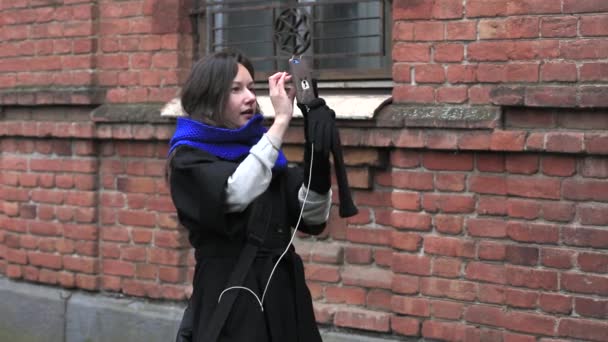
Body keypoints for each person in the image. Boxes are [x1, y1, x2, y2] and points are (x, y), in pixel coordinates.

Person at [166, 49, 335, 341]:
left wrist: (318, 153)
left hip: (284, 300)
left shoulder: (266, 154)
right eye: (235, 89)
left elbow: (312, 214)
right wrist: (281, 122)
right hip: (232, 297)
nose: (250, 98)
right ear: (208, 98)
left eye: (251, 88)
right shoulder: (188, 157)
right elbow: (236, 191)